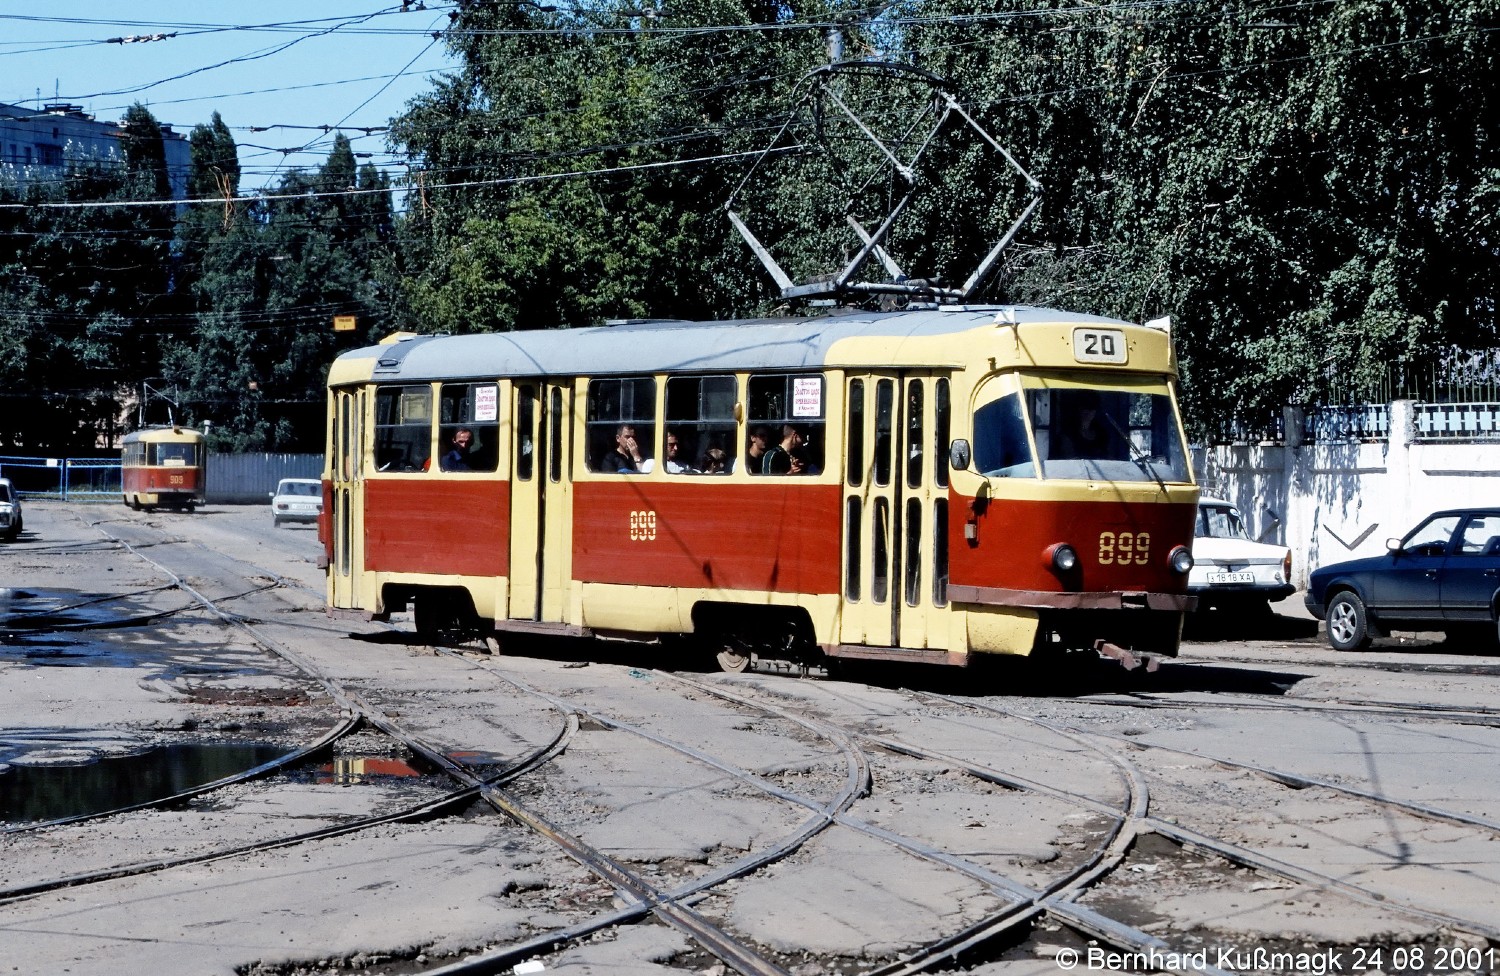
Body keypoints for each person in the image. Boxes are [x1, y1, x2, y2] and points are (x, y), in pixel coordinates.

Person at [1052, 392, 1119, 460]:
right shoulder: (1068, 434)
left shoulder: (1102, 434)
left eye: (1092, 407)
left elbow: (1108, 458)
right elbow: (1069, 460)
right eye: (1085, 407)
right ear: (1078, 409)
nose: (1088, 412)